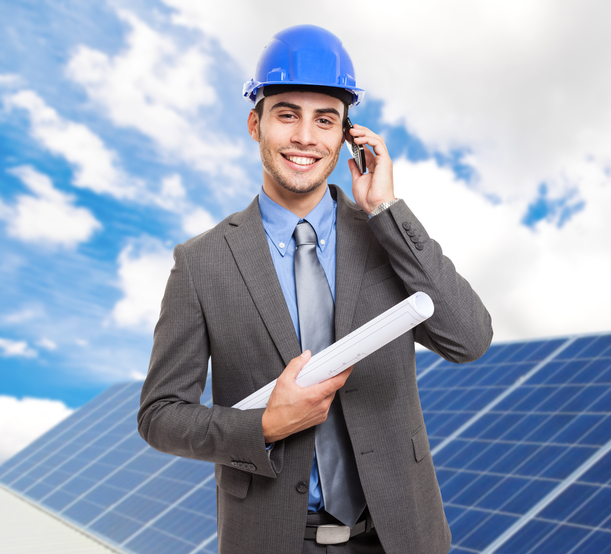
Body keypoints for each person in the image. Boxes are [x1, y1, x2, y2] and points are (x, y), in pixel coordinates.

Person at [138, 24, 492, 554]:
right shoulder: (201, 263)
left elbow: (469, 339)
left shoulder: (384, 237)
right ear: (255, 124)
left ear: (346, 134)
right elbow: (160, 414)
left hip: (401, 535)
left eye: (325, 120)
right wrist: (263, 425)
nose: (306, 137)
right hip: (273, 538)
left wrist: (387, 212)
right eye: (287, 115)